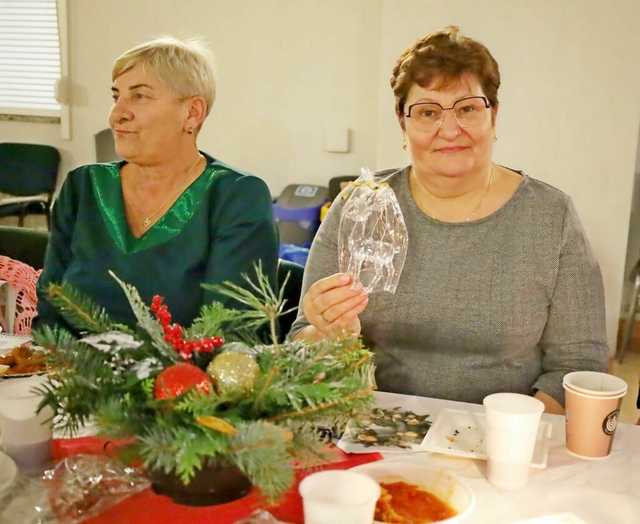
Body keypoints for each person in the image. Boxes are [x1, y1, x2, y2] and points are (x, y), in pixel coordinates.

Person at [290, 26, 608, 414]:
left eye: (468, 108)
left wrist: (516, 439)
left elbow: (577, 364)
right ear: (402, 123)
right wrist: (324, 332)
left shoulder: (550, 215)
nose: (450, 129)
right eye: (427, 112)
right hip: (377, 432)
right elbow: (300, 344)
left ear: (494, 114)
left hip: (507, 442)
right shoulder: (358, 207)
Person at [35, 37, 278, 330]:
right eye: (116, 97)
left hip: (185, 375)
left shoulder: (236, 196)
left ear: (192, 113)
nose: (116, 115)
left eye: (140, 96)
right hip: (68, 371)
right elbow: (50, 313)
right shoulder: (83, 186)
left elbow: (231, 334)